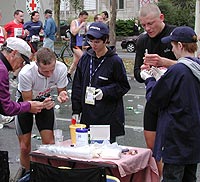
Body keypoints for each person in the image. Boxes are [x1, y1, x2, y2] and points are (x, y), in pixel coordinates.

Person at [140, 26, 200, 182]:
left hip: (176, 137)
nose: (172, 50)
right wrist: (162, 77)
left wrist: (149, 79)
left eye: (172, 46)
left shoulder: (178, 70)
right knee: (189, 177)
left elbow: (155, 99)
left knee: (172, 177)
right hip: (194, 136)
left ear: (180, 45)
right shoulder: (196, 67)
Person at [133, 3, 177, 176]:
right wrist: (144, 70)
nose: (147, 28)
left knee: (172, 148)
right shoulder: (143, 40)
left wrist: (163, 63)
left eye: (150, 23)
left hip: (174, 101)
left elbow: (190, 66)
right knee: (152, 147)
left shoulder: (175, 34)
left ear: (161, 18)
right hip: (153, 98)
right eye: (143, 25)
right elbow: (136, 73)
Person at [71, 22, 130, 143]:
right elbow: (77, 85)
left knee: (102, 151)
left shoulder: (115, 61)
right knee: (86, 150)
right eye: (90, 41)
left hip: (106, 116)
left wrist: (105, 92)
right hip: (88, 114)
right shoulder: (86, 58)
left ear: (106, 40)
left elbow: (123, 86)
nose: (93, 45)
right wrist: (76, 110)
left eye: (97, 42)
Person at [15, 47, 69, 172]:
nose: (49, 74)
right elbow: (29, 104)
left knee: (49, 143)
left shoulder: (61, 68)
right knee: (24, 146)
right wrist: (43, 105)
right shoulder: (26, 73)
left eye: (52, 70)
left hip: (45, 99)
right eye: (45, 71)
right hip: (26, 102)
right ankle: (27, 173)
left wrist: (62, 95)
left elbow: (62, 91)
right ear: (36, 63)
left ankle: (47, 174)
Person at [0, 37, 43, 115]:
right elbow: (5, 108)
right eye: (22, 61)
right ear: (13, 53)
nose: (21, 66)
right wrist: (28, 106)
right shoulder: (2, 70)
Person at [4, 10, 27, 87]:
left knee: (20, 63)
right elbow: (4, 31)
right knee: (7, 63)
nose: (22, 18)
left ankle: (13, 78)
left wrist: (24, 34)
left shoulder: (21, 25)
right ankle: (5, 79)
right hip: (10, 48)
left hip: (18, 47)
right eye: (20, 16)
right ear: (15, 16)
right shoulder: (10, 24)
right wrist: (6, 40)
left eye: (22, 16)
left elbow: (22, 35)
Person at [67, 10, 88, 82]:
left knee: (76, 61)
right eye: (84, 18)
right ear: (80, 16)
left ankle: (68, 74)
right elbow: (74, 32)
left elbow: (85, 33)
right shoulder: (74, 22)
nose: (85, 20)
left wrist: (85, 27)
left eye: (86, 19)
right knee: (84, 58)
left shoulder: (83, 23)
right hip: (74, 44)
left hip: (80, 44)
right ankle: (82, 75)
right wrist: (81, 25)